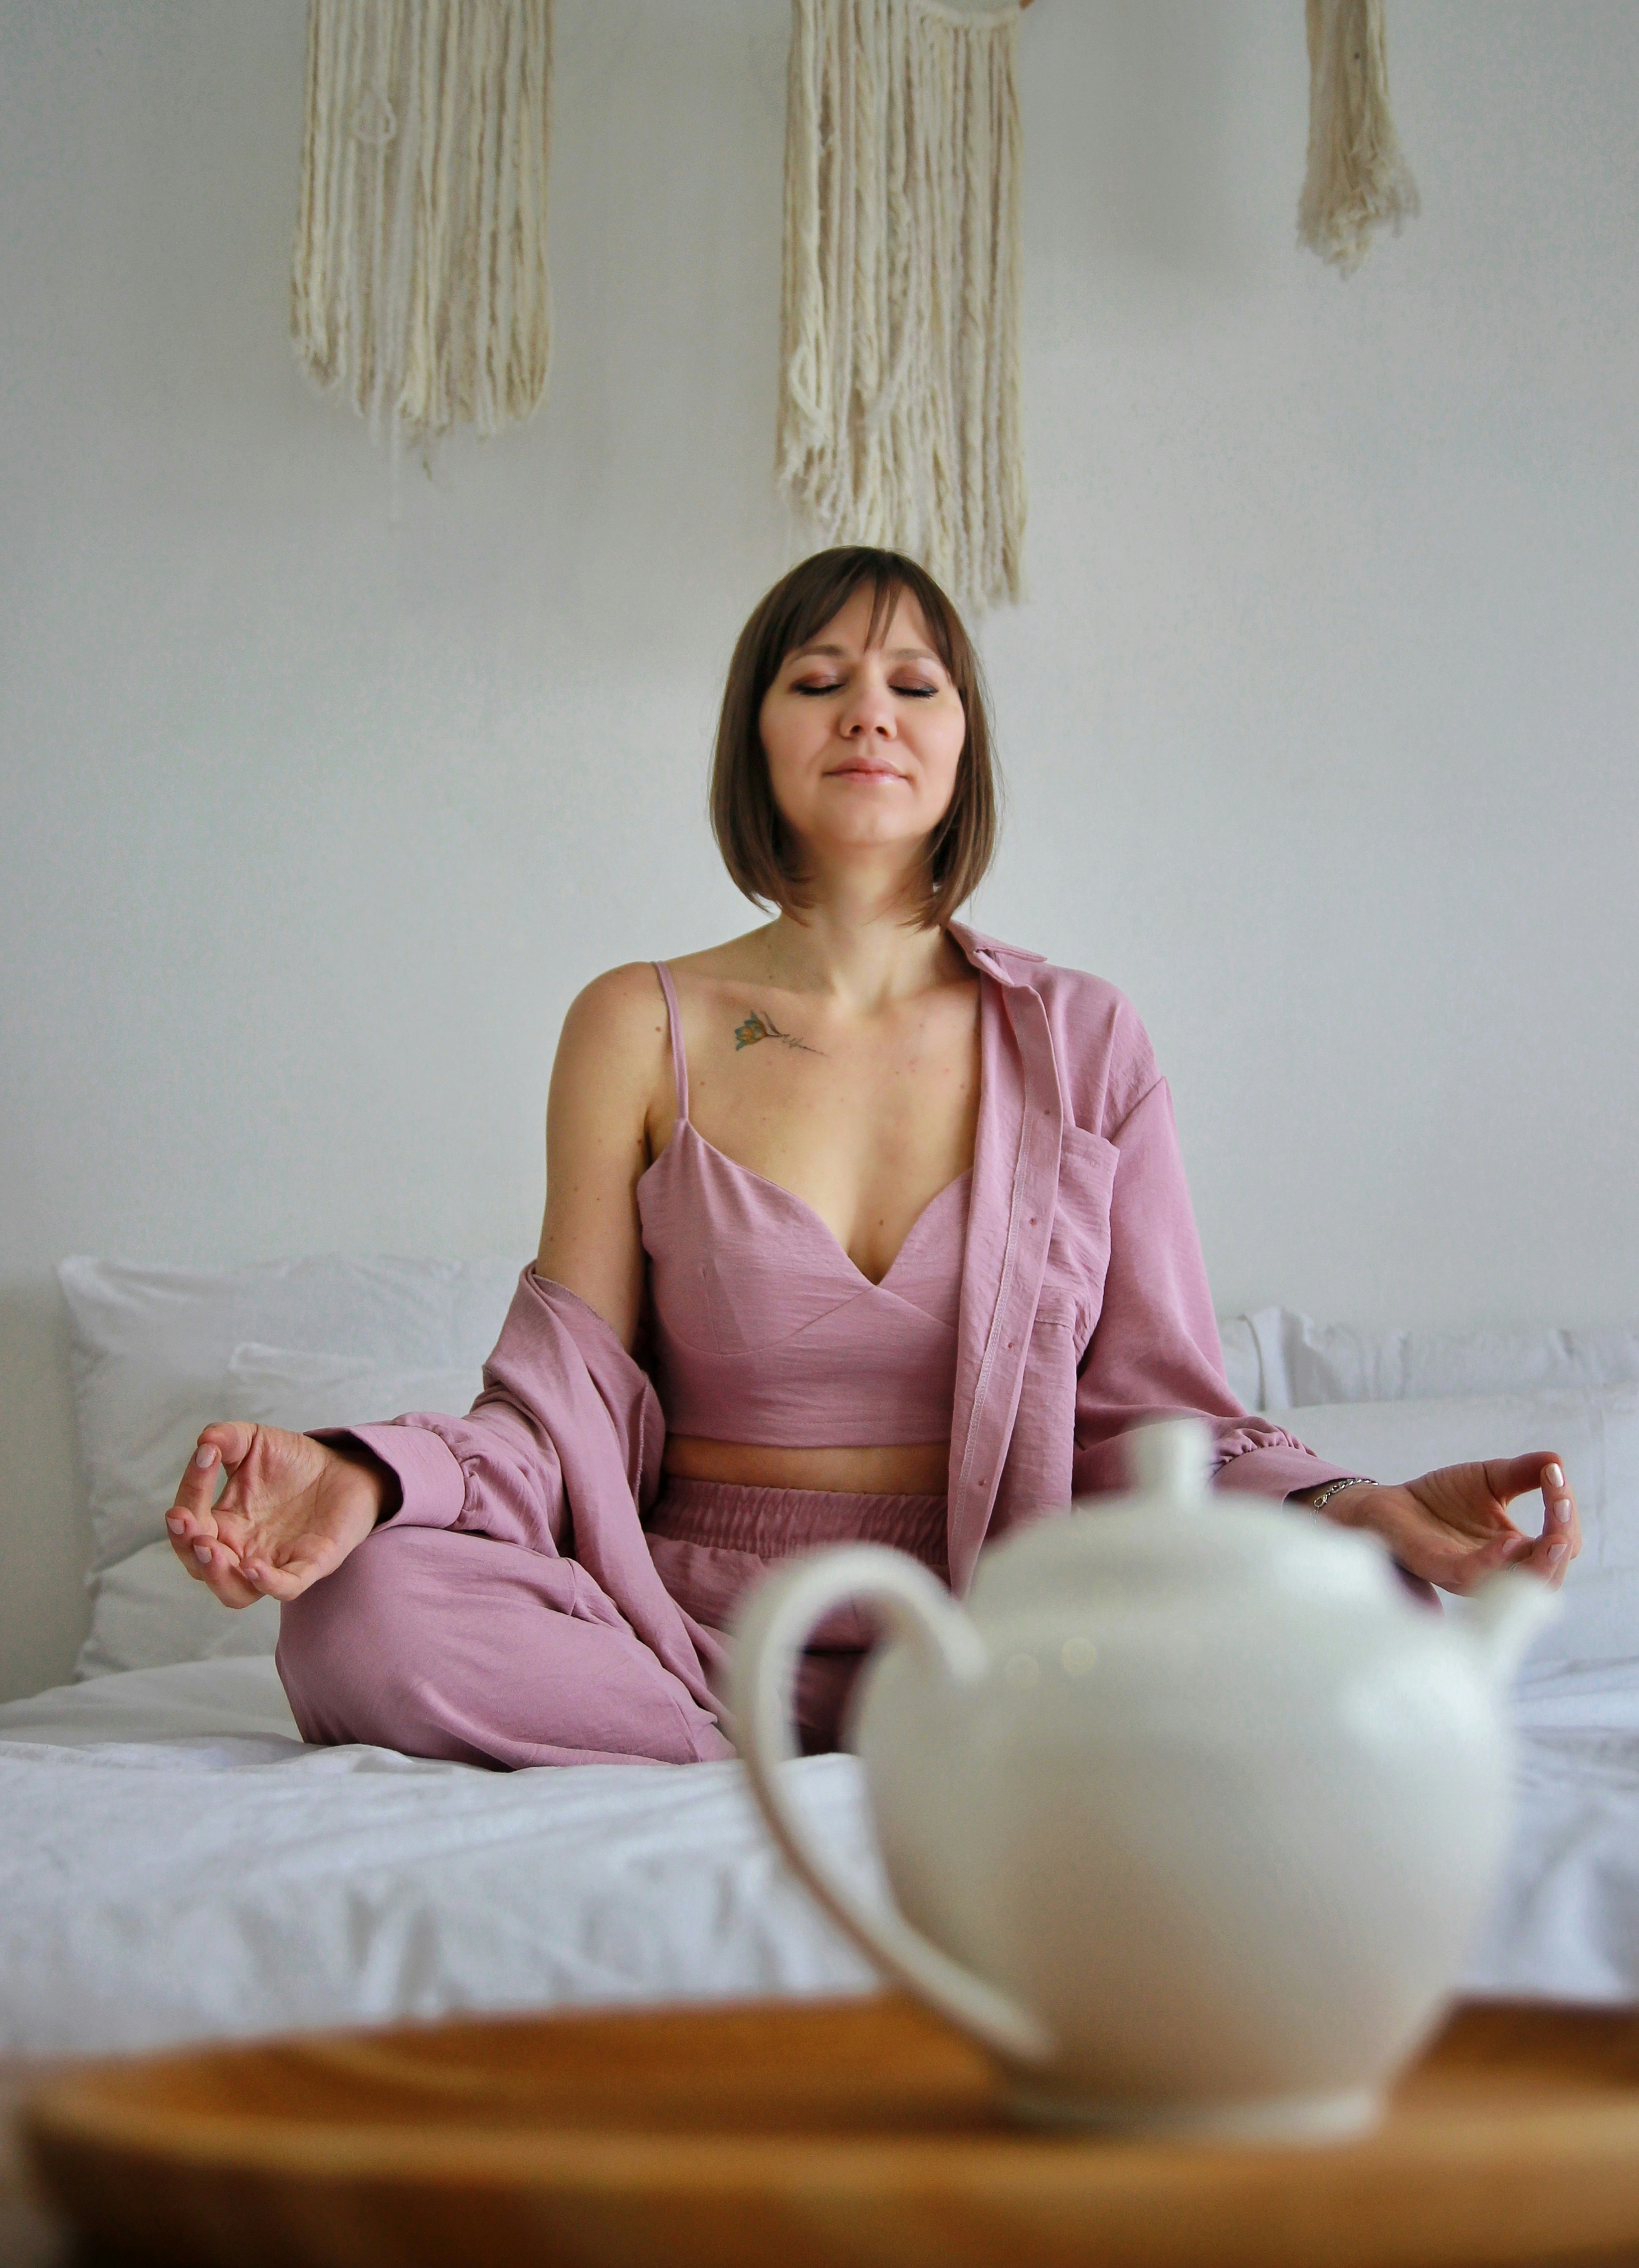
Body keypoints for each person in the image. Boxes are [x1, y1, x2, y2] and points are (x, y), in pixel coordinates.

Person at [164, 547, 1582, 1768]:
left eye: (916, 684)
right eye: (819, 678)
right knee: (357, 1612)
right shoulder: (633, 1023)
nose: (869, 713)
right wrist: (369, 1476)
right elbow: (561, 1415)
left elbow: (1163, 1423)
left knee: (1365, 1603)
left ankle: (962, 1738)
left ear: (964, 741)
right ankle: (748, 1752)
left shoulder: (1084, 1038)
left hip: (1012, 1634)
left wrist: (1352, 1507)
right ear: (756, 735)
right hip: (684, 1631)